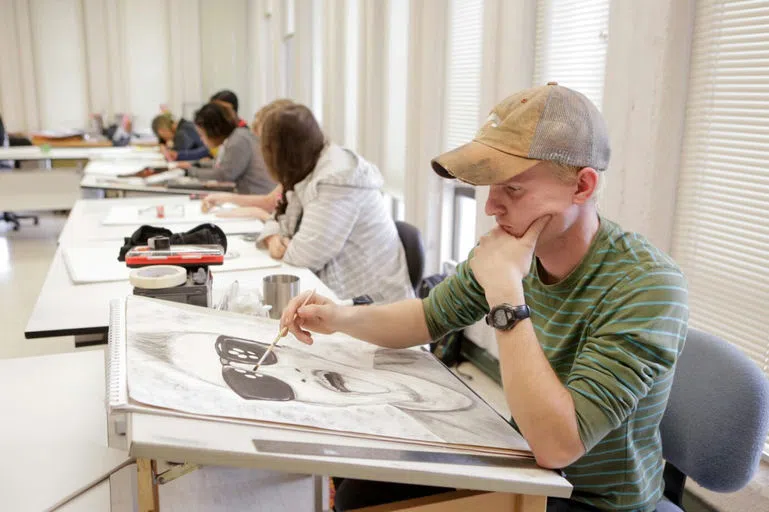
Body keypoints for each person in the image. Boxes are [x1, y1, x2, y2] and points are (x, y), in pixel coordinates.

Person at [280, 84, 689, 512]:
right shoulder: (510, 250)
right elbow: (424, 317)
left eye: (513, 189)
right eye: (490, 187)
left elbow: (557, 446)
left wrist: (506, 293)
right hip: (527, 468)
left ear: (582, 187)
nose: (491, 207)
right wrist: (339, 318)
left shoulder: (647, 286)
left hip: (593, 500)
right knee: (365, 488)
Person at [256, 104, 413, 304]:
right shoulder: (308, 167)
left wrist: (283, 240)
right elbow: (277, 218)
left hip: (373, 306)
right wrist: (272, 237)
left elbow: (304, 256)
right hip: (338, 295)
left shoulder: (338, 180)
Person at [201, 98, 296, 216]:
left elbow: (292, 233)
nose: (263, 150)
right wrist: (223, 198)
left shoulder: (307, 176)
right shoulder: (290, 172)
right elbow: (270, 202)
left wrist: (259, 214)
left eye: (267, 143)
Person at [188, 102, 276, 195]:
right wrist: (196, 166)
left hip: (257, 197)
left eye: (202, 134)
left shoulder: (238, 140)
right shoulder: (237, 136)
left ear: (213, 130)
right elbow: (224, 166)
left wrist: (190, 172)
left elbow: (224, 175)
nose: (202, 140)